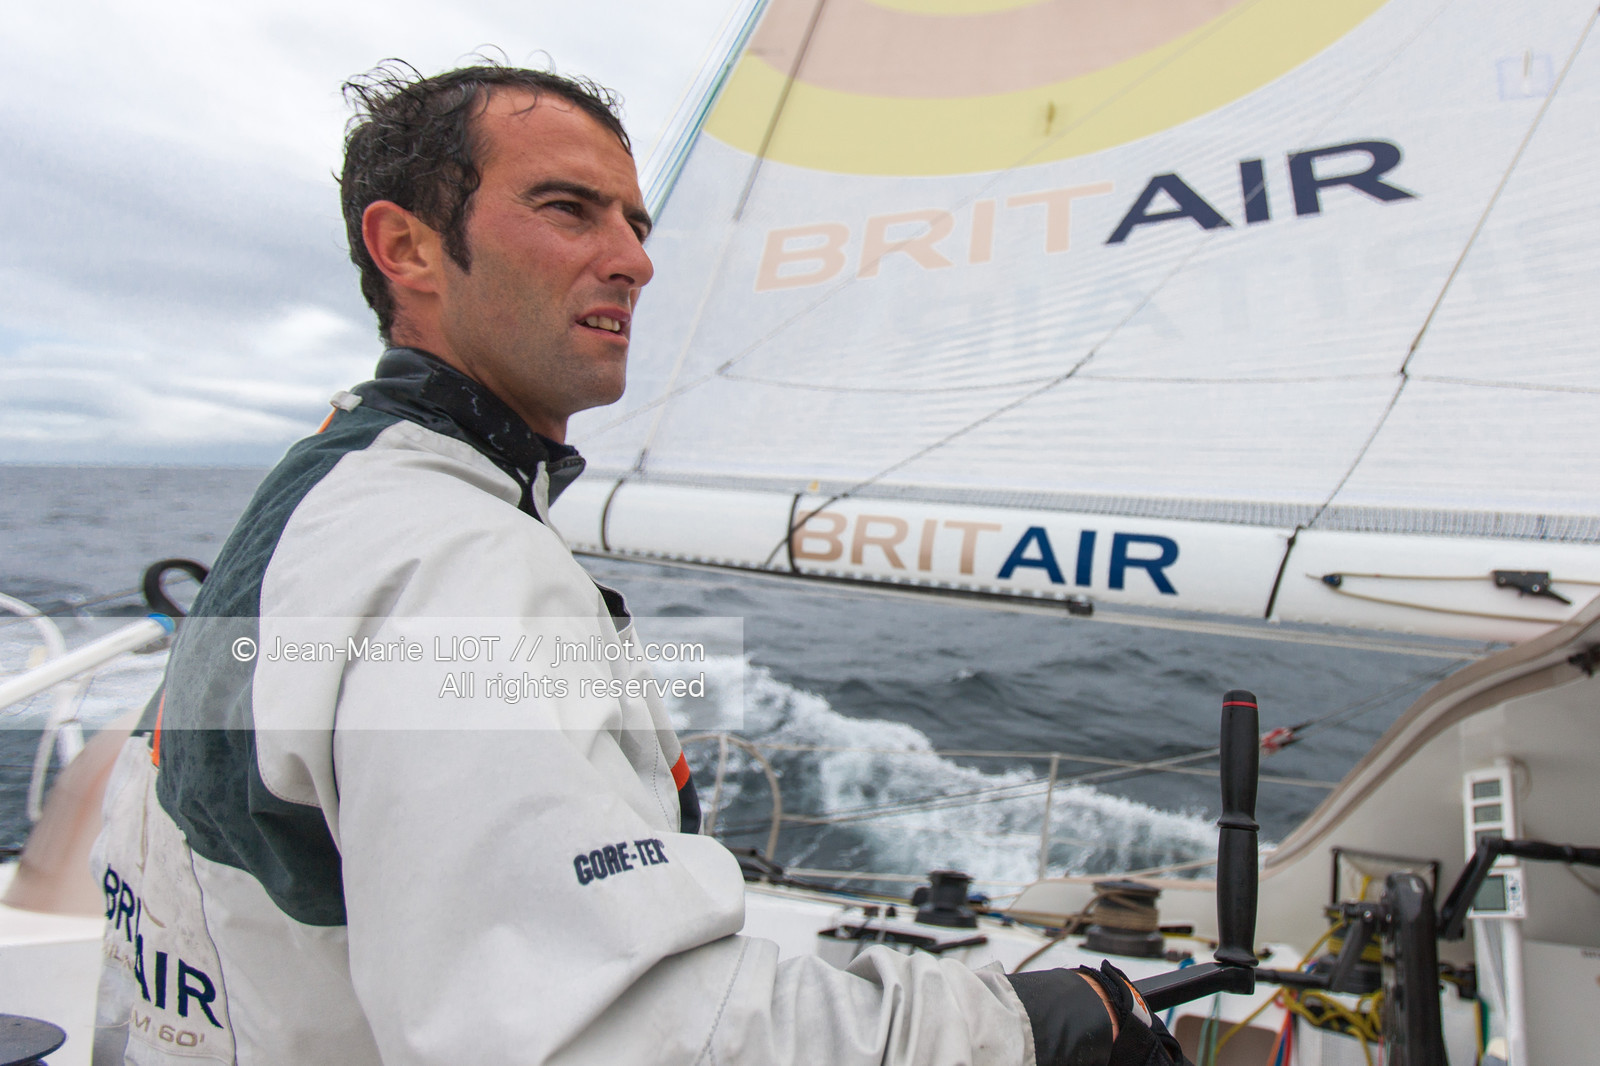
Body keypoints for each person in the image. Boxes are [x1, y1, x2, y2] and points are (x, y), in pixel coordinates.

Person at [89, 62, 1189, 1065]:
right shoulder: (455, 562)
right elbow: (606, 1031)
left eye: (635, 220)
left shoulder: (322, 498)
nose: (635, 259)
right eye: (568, 208)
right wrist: (1016, 1025)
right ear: (408, 247)